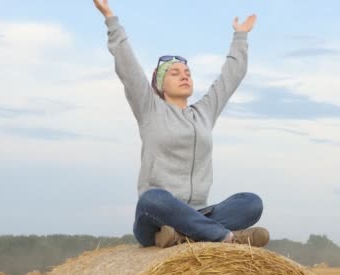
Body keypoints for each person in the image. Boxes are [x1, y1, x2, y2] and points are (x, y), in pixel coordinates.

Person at [93, 0, 269, 248]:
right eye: (175, 73)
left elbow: (230, 77)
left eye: (187, 72)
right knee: (152, 198)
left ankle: (184, 235)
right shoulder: (149, 109)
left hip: (200, 212)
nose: (184, 75)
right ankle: (225, 237)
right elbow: (128, 67)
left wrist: (240, 36)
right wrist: (110, 18)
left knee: (251, 203)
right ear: (160, 84)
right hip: (156, 216)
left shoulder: (204, 112)